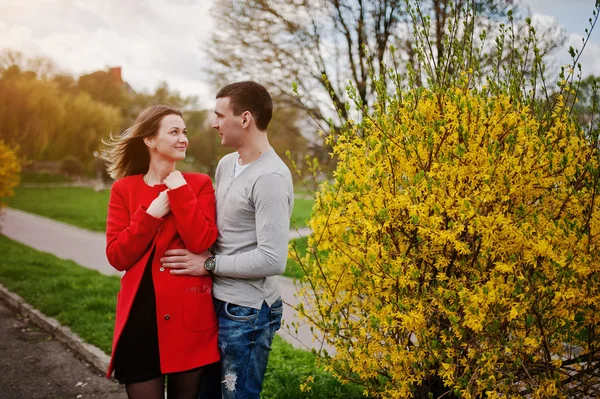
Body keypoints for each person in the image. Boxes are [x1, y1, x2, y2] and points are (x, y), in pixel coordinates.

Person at [161, 81, 294, 398]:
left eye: (220, 115)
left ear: (245, 119)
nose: (213, 123)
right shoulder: (225, 165)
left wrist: (208, 264)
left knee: (236, 395)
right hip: (214, 301)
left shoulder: (270, 178)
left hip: (246, 311)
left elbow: (272, 259)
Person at [102, 104, 220, 399]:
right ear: (150, 140)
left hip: (188, 319)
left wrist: (179, 191)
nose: (183, 138)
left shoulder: (199, 184)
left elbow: (201, 241)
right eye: (174, 132)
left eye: (185, 132)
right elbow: (117, 256)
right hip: (139, 320)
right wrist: (151, 213)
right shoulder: (124, 189)